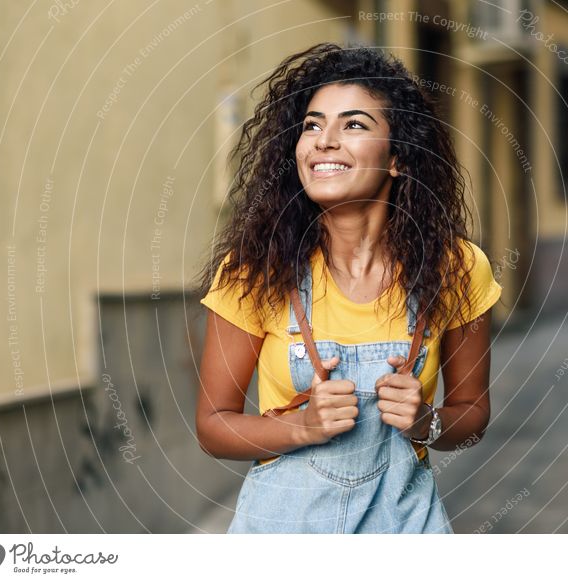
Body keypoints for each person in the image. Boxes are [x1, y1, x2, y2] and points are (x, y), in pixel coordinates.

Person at [195, 42, 502, 533]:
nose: (324, 140)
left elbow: (473, 414)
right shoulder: (255, 270)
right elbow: (213, 426)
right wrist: (301, 426)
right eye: (312, 125)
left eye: (353, 125)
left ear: (398, 157)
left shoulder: (456, 267)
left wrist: (427, 422)